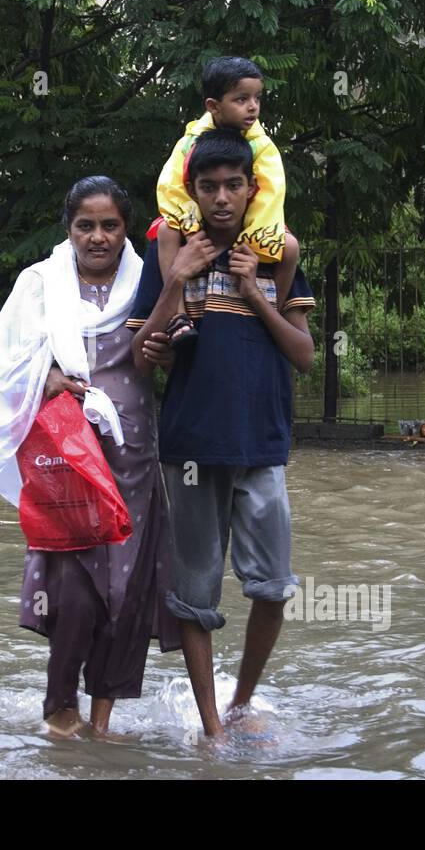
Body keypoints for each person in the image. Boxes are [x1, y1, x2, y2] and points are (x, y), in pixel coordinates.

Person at [127, 129, 316, 740]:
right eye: (208, 187)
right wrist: (178, 279)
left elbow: (305, 355)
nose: (222, 198)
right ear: (193, 192)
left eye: (234, 185)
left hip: (262, 446)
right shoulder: (172, 253)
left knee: (273, 587)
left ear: (252, 187)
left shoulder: (275, 254)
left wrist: (252, 295)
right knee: (194, 597)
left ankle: (242, 703)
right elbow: (139, 357)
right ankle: (212, 727)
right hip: (189, 448)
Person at [0, 176, 181, 737]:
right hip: (64, 457)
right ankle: (59, 704)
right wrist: (44, 376)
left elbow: (173, 350)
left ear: (125, 229)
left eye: (110, 225)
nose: (97, 237)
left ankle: (101, 722)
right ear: (68, 229)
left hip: (132, 456)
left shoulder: (151, 282)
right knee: (73, 586)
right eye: (85, 226)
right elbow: (0, 360)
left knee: (126, 585)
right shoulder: (40, 284)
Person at [153, 56, 300, 347]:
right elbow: (172, 188)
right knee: (165, 232)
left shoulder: (262, 145)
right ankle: (178, 318)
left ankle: (272, 310)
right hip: (195, 224)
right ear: (213, 106)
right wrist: (191, 226)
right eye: (241, 99)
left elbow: (270, 194)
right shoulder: (190, 141)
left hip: (249, 229)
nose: (253, 107)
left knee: (289, 245)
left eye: (257, 98)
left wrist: (253, 238)